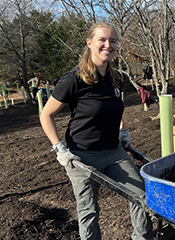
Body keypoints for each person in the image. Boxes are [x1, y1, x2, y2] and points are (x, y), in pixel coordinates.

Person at [39, 23, 153, 240]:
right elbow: (46, 115)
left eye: (113, 41)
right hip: (82, 154)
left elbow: (115, 108)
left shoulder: (115, 78)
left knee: (141, 196)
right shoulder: (73, 79)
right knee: (89, 210)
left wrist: (123, 132)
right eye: (102, 40)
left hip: (114, 151)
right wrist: (59, 149)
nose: (108, 45)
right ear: (89, 43)